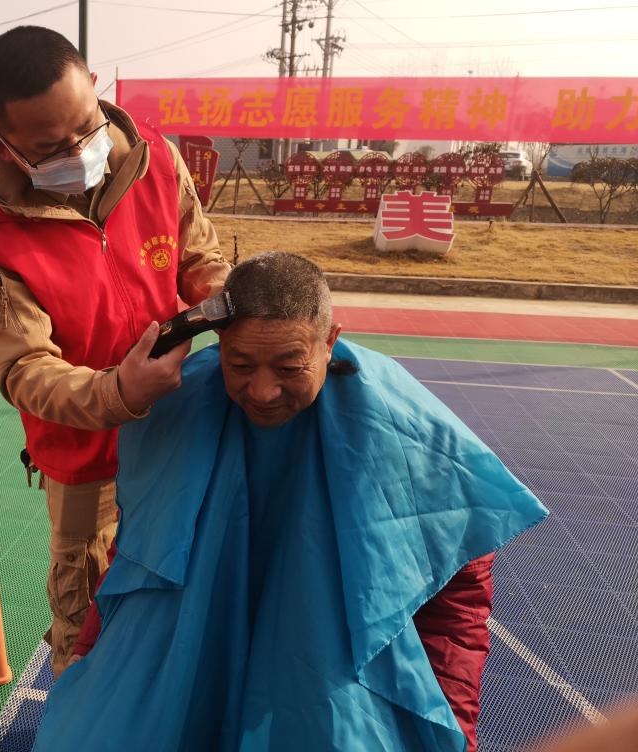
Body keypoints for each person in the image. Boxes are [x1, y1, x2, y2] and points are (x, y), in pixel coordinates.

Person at [34, 252, 549, 751]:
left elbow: (458, 592)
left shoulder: (400, 430)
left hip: (322, 652)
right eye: (240, 364)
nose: (263, 391)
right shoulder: (180, 404)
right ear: (219, 343)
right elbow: (143, 544)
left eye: (289, 367)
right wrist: (89, 647)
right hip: (200, 629)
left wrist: (456, 719)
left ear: (330, 342)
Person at [0, 25, 230, 677]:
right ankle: (79, 714)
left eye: (85, 126)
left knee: (185, 588)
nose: (79, 152)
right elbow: (25, 369)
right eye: (50, 148)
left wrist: (233, 304)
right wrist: (120, 392)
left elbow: (201, 261)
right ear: (3, 143)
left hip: (181, 427)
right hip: (85, 464)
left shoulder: (156, 160)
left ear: (95, 88)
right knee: (88, 622)